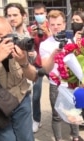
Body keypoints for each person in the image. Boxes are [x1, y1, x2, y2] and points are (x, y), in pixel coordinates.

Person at [0, 15, 37, 141]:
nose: (9, 39)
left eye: (10, 34)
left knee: (26, 138)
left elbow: (34, 77)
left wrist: (24, 62)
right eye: (2, 37)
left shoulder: (18, 45)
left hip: (21, 99)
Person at [39, 10, 83, 141]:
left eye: (58, 24)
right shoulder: (45, 44)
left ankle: (75, 137)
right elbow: (46, 68)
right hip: (56, 85)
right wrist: (54, 53)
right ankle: (58, 138)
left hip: (73, 83)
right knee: (57, 115)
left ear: (64, 24)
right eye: (52, 24)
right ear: (48, 25)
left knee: (74, 112)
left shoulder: (73, 40)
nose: (56, 27)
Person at [27, 3, 52, 133]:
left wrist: (48, 32)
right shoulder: (32, 28)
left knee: (58, 91)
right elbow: (28, 45)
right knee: (36, 95)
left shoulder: (52, 26)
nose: (39, 16)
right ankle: (36, 120)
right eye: (36, 14)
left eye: (41, 13)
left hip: (51, 65)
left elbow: (55, 44)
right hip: (37, 65)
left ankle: (59, 118)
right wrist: (31, 36)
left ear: (45, 13)